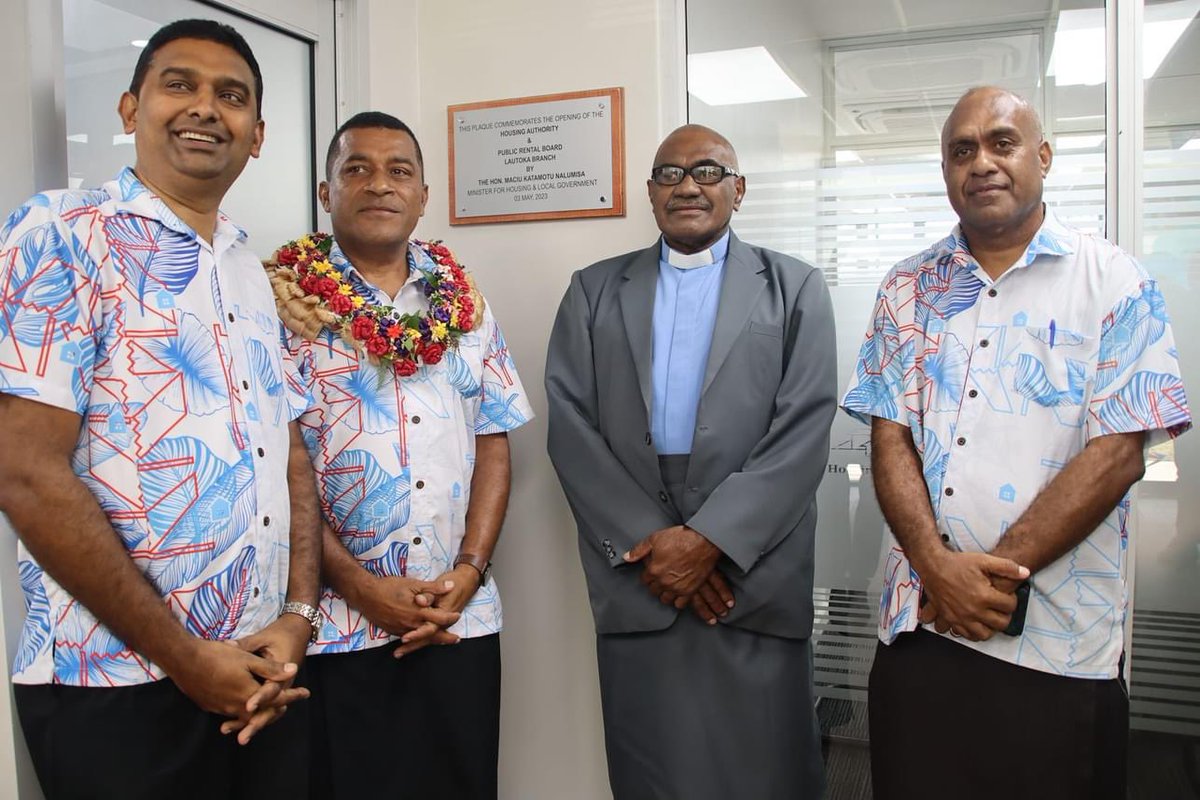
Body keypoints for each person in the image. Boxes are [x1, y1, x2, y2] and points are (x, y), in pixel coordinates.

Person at [0, 18, 322, 799]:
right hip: (112, 683)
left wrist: (298, 618)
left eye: (232, 96)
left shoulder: (251, 269)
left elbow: (288, 454)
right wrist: (185, 658)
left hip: (260, 671)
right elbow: (24, 472)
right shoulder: (62, 234)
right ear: (127, 108)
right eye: (179, 84)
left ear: (259, 136)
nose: (207, 108)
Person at [841, 86, 1192, 799]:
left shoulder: (1115, 282)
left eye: (1001, 142)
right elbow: (890, 437)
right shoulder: (906, 289)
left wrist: (983, 581)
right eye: (961, 149)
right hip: (920, 628)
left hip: (1060, 647)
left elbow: (1120, 453)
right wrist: (938, 571)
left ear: (1044, 156)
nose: (982, 163)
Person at [546, 124, 835, 800]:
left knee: (765, 767)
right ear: (650, 193)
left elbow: (804, 428)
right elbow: (571, 429)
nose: (688, 186)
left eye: (706, 170)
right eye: (670, 174)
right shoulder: (592, 292)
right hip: (640, 564)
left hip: (753, 563)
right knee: (656, 770)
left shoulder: (795, 289)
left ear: (739, 189)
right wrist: (660, 548)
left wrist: (711, 542)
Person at [271, 111, 532, 800]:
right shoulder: (279, 303)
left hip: (458, 617)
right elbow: (278, 469)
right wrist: (360, 589)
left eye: (399, 171)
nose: (378, 184)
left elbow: (494, 439)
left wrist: (470, 571)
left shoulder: (465, 304)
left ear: (422, 195)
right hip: (332, 627)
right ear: (326, 193)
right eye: (356, 168)